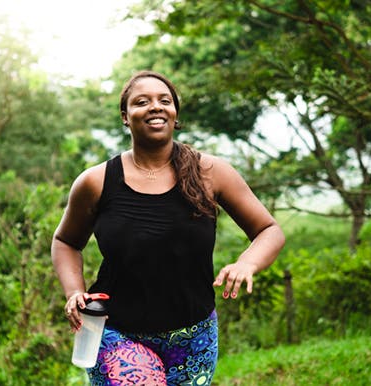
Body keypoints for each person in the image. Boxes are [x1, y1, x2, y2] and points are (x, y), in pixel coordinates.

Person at [51, 70, 285, 385]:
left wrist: (247, 263)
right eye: (142, 102)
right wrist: (75, 291)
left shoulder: (211, 173)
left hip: (194, 335)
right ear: (125, 116)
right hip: (114, 331)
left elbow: (269, 230)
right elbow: (66, 241)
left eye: (165, 100)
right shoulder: (96, 182)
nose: (156, 107)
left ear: (175, 114)